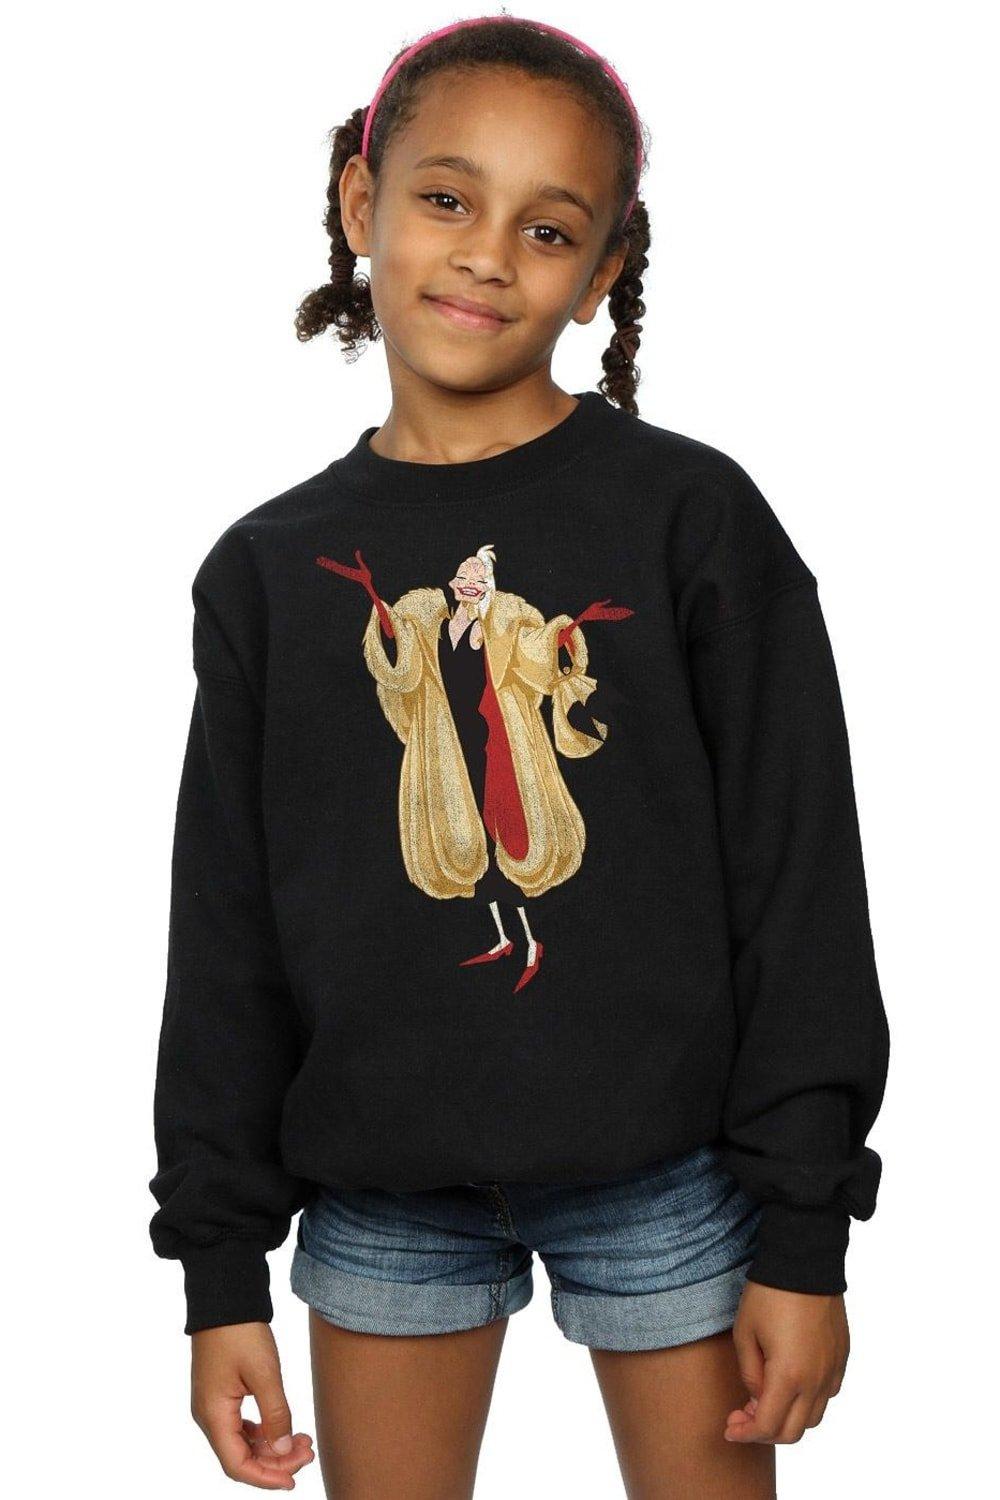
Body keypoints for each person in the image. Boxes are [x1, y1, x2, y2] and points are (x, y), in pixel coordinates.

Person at [148, 15, 890, 1498]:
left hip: (669, 1178)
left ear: (601, 272)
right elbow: (224, 933)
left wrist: (806, 1233)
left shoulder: (692, 520)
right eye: (446, 199)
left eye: (547, 230)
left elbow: (801, 885)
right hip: (381, 1194)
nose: (487, 255)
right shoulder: (267, 570)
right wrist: (219, 1268)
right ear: (361, 200)